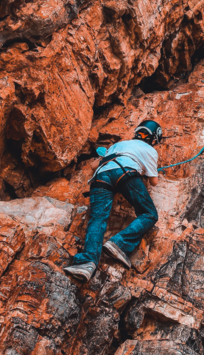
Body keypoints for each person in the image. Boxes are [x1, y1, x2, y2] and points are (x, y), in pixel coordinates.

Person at [64, 119, 161, 283]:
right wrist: (146, 168)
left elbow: (94, 166)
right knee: (149, 214)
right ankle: (119, 244)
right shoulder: (150, 150)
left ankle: (86, 263)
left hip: (101, 175)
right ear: (154, 138)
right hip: (125, 172)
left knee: (97, 219)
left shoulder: (120, 144)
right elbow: (154, 181)